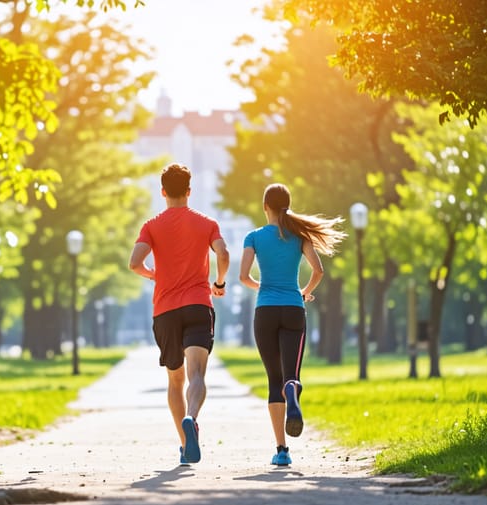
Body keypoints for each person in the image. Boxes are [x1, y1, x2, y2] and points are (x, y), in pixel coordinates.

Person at [129, 163, 230, 466]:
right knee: (197, 374)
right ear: (189, 191)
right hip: (199, 304)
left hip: (166, 310)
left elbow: (134, 263)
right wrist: (219, 282)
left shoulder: (151, 225)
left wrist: (154, 275)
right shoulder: (206, 222)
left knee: (175, 381)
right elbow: (223, 254)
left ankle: (186, 446)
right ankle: (192, 417)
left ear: (162, 192)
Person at [239, 183, 346, 466]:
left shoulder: (253, 237)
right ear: (287, 205)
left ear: (265, 207)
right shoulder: (299, 236)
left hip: (265, 311)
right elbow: (318, 271)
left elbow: (243, 277)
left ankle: (282, 450)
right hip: (293, 309)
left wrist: (263, 286)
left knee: (273, 379)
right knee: (291, 375)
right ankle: (293, 388)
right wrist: (302, 291)